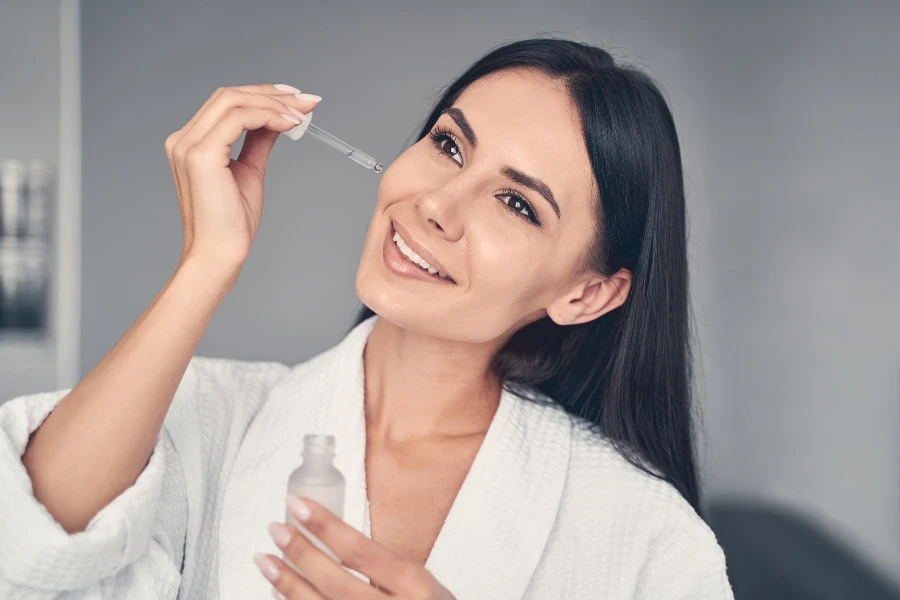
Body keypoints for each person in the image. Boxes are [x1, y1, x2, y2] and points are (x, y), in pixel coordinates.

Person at [0, 38, 734, 599]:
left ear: (588, 293)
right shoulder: (209, 421)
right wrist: (208, 262)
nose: (435, 206)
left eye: (516, 203)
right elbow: (27, 550)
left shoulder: (648, 540)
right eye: (449, 146)